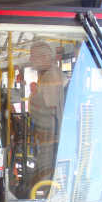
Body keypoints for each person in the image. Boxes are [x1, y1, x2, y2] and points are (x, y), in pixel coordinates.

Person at [28, 41, 65, 190]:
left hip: (49, 137)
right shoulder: (50, 75)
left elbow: (50, 111)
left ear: (44, 57)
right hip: (48, 136)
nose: (30, 60)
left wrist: (34, 98)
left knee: (45, 170)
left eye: (33, 57)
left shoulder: (51, 77)